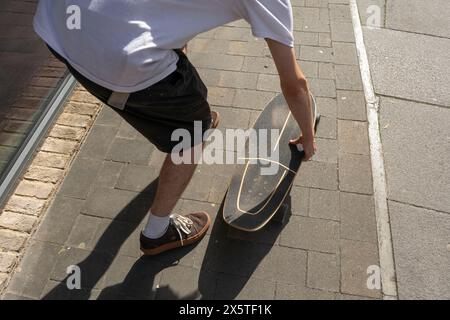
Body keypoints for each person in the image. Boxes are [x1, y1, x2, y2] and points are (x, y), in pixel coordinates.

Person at [33, 0, 317, 255]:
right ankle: (157, 233)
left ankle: (166, 116)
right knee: (191, 133)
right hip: (118, 55)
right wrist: (308, 135)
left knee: (173, 91)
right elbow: (294, 84)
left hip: (54, 23)